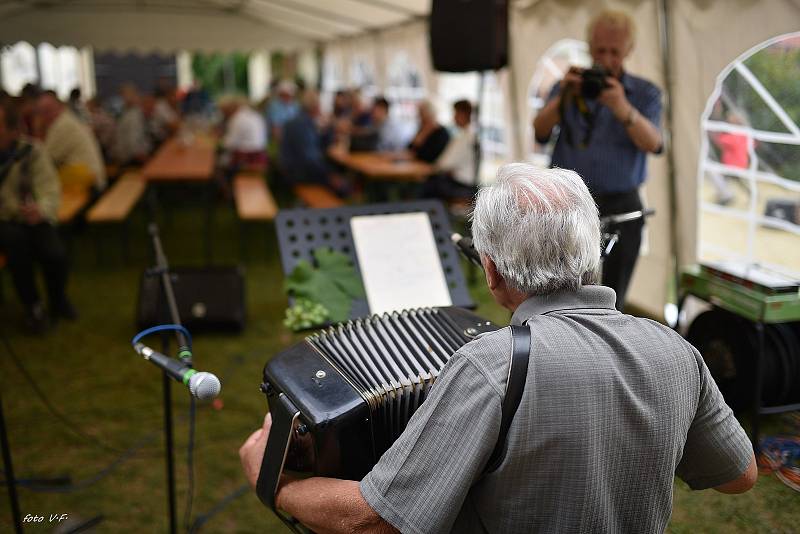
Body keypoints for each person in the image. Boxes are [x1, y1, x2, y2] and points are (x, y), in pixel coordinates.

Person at [240, 162, 756, 534]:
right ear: (591, 253)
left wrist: (276, 484)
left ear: (491, 270)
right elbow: (740, 476)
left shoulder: (494, 365)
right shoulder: (676, 351)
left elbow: (378, 522)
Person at [533, 9, 663, 311]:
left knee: (614, 292)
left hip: (622, 204)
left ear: (628, 50)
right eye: (600, 50)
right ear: (590, 47)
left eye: (614, 52)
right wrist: (563, 94)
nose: (606, 59)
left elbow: (654, 144)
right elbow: (539, 132)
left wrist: (621, 106)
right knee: (560, 287)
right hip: (568, 202)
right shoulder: (569, 85)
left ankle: (606, 348)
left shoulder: (644, 93)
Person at [0, 101, 76, 333]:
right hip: (5, 221)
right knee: (16, 246)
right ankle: (33, 306)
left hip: (31, 216)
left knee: (55, 253)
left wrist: (40, 209)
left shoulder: (32, 151)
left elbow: (50, 188)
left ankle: (57, 300)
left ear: (13, 130)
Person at [36, 91, 107, 192]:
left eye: (43, 112)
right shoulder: (67, 119)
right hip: (93, 177)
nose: (42, 117)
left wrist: (38, 129)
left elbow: (46, 159)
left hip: (89, 182)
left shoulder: (61, 126)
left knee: (44, 186)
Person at [280, 91, 346, 194]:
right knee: (343, 187)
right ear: (316, 107)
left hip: (295, 170)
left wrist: (329, 128)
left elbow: (318, 144)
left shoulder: (301, 121)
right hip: (299, 174)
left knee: (338, 176)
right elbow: (310, 157)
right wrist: (329, 174)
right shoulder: (303, 125)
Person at [422, 99, 478, 200]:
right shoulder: (471, 135)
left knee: (427, 186)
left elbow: (444, 164)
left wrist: (436, 168)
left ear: (463, 114)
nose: (454, 118)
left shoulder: (464, 138)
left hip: (462, 185)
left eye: (455, 113)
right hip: (468, 184)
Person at [707, 111, 750, 206]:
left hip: (733, 165)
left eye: (731, 117)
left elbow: (720, 141)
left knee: (713, 172)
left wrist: (712, 133)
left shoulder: (736, 134)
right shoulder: (742, 133)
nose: (728, 118)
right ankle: (725, 195)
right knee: (735, 181)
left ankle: (726, 196)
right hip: (738, 164)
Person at [218, 94, 267, 173]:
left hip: (247, 157)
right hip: (261, 155)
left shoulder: (236, 118)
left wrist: (218, 142)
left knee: (219, 165)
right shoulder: (254, 114)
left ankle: (226, 184)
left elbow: (229, 143)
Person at [110, 84, 152, 165]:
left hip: (126, 157)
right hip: (129, 161)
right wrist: (150, 162)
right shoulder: (134, 115)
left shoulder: (128, 113)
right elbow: (134, 149)